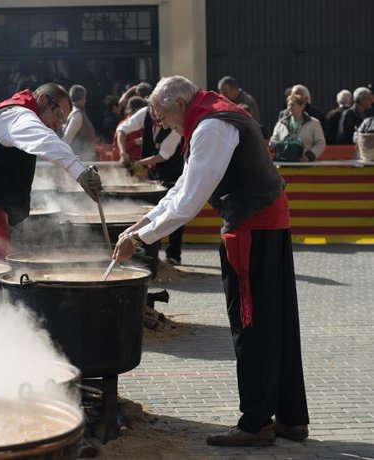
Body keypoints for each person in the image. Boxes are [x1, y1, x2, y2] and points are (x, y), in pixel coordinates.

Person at [112, 76, 309, 447]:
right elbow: (182, 186)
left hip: (252, 229)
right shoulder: (213, 114)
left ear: (179, 105)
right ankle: (291, 419)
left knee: (251, 328)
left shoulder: (210, 126)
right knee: (277, 323)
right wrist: (142, 222)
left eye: (162, 116)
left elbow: (189, 201)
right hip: (265, 223)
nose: (162, 124)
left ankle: (254, 424)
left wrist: (140, 240)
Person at [0, 83, 103, 262]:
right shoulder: (17, 115)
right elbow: (45, 140)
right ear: (43, 99)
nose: (58, 124)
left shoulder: (16, 112)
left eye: (63, 121)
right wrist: (79, 172)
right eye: (58, 115)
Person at [115, 97, 184, 265]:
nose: (159, 120)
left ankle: (174, 254)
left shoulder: (174, 124)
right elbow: (122, 130)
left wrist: (139, 163)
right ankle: (151, 253)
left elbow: (164, 155)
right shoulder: (145, 113)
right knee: (154, 209)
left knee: (175, 209)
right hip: (154, 171)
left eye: (161, 116)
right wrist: (123, 152)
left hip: (172, 172)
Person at [269, 94, 325, 162]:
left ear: (302, 106)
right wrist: (281, 148)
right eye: (288, 105)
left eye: (293, 105)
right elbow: (273, 141)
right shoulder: (281, 123)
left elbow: (321, 143)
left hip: (306, 166)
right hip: (284, 165)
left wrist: (309, 156)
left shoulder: (314, 123)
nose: (289, 107)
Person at [61, 85, 97, 162]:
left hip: (81, 160)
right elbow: (66, 140)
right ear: (83, 98)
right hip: (80, 161)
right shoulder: (77, 114)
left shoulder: (73, 112)